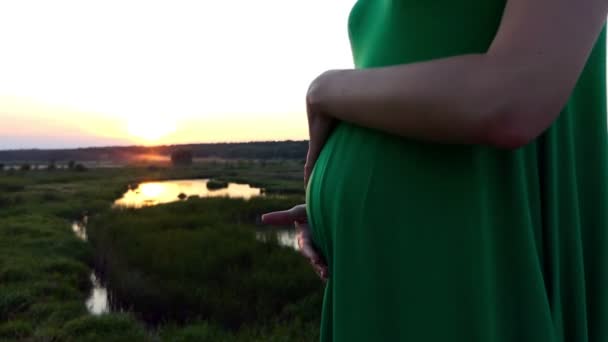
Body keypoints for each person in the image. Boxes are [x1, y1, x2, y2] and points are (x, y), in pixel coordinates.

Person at [262, 0, 608, 340]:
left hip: (475, 261)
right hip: (379, 271)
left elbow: (516, 98)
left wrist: (322, 90)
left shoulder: (326, 91)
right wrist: (331, 211)